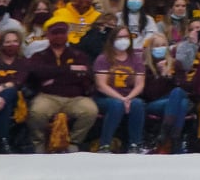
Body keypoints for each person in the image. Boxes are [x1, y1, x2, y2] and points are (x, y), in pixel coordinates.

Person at [27, 19, 100, 152]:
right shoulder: (39, 56)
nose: (59, 36)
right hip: (48, 96)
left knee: (90, 110)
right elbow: (38, 72)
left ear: (67, 35)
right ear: (48, 35)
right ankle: (39, 143)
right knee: (37, 112)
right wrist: (70, 70)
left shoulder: (79, 55)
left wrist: (54, 78)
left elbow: (87, 75)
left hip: (75, 97)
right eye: (55, 33)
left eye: (62, 33)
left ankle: (73, 142)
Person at [93, 29, 148, 154]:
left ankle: (135, 144)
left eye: (126, 37)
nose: (123, 40)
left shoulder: (136, 59)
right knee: (117, 105)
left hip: (128, 96)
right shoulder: (103, 59)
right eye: (119, 37)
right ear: (112, 40)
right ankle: (105, 145)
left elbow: (140, 84)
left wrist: (128, 98)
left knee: (138, 104)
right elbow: (101, 85)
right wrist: (122, 99)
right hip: (105, 97)